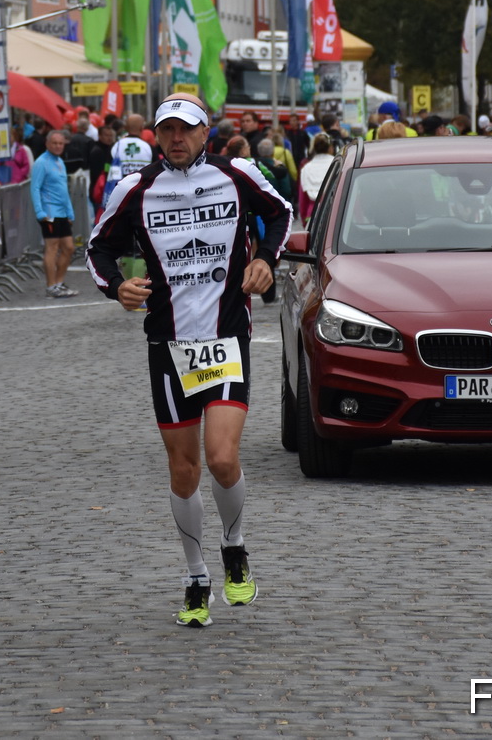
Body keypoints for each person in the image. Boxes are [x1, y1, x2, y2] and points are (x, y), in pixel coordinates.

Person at [87, 94, 292, 627]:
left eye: (186, 129)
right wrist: (118, 287)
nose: (176, 138)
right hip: (168, 345)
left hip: (226, 337)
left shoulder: (238, 173)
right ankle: (195, 574)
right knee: (184, 470)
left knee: (222, 458)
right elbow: (97, 249)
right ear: (157, 135)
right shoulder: (136, 188)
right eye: (167, 130)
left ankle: (235, 546)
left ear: (206, 132)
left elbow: (281, 212)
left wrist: (266, 260)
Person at [32, 129, 77, 298]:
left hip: (62, 213)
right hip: (49, 213)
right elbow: (35, 187)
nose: (58, 146)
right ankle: (51, 286)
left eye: (61, 143)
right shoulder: (41, 162)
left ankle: (58, 283)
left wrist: (70, 213)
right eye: (55, 143)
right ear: (47, 144)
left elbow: (63, 189)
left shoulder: (59, 161)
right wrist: (39, 211)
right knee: (52, 248)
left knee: (69, 247)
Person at [298, 132, 337, 219]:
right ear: (330, 148)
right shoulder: (337, 165)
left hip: (313, 213)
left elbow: (302, 200)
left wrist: (305, 220)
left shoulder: (306, 168)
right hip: (334, 212)